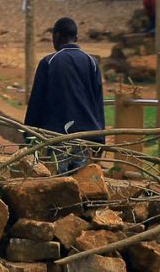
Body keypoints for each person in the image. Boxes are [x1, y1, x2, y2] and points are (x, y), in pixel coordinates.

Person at [23, 17, 105, 174]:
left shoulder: (49, 62)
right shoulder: (92, 62)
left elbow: (36, 102)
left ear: (57, 36)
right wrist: (100, 139)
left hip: (55, 137)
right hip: (85, 137)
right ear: (76, 38)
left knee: (58, 183)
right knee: (82, 185)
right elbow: (98, 103)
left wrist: (28, 136)